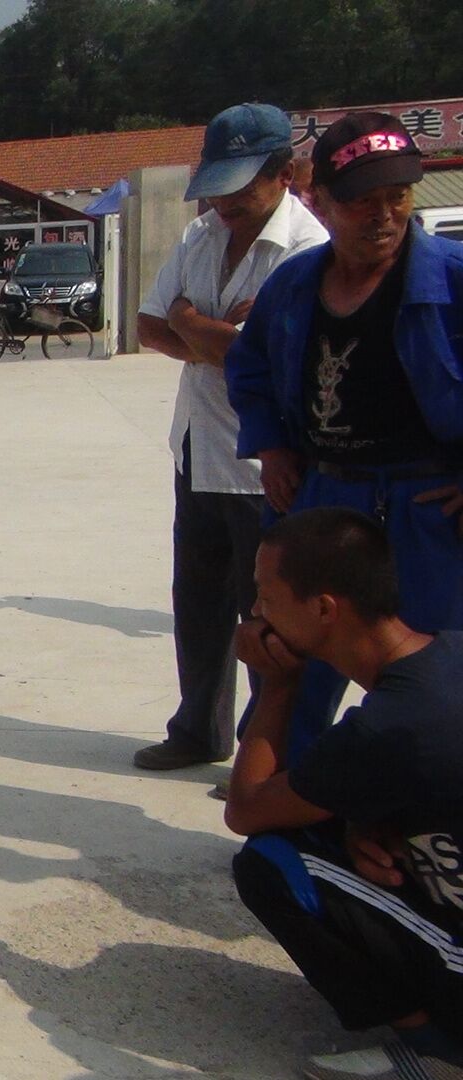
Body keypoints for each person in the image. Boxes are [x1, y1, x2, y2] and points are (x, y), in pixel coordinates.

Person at [227, 111, 463, 767]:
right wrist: (272, 446)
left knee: (440, 680)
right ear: (321, 200)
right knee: (291, 664)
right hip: (324, 500)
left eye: (398, 197)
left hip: (430, 510)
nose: (383, 216)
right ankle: (283, 805)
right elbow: (249, 370)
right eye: (362, 201)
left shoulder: (453, 279)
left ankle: (428, 815)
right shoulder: (294, 285)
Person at [225, 508, 463, 1080]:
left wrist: (278, 685)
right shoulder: (449, 657)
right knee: (333, 825)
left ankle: (437, 1050)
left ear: (325, 609)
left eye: (266, 597)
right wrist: (364, 819)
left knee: (272, 863)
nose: (256, 613)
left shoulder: (385, 728)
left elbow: (247, 809)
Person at [132, 103, 329, 776]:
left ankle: (268, 753)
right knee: (198, 603)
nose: (225, 205)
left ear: (285, 174)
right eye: (217, 190)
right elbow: (149, 326)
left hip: (266, 464)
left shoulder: (306, 250)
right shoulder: (201, 235)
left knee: (270, 615)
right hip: (197, 447)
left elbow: (261, 356)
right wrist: (210, 332)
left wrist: (191, 321)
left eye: (240, 190)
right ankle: (198, 729)